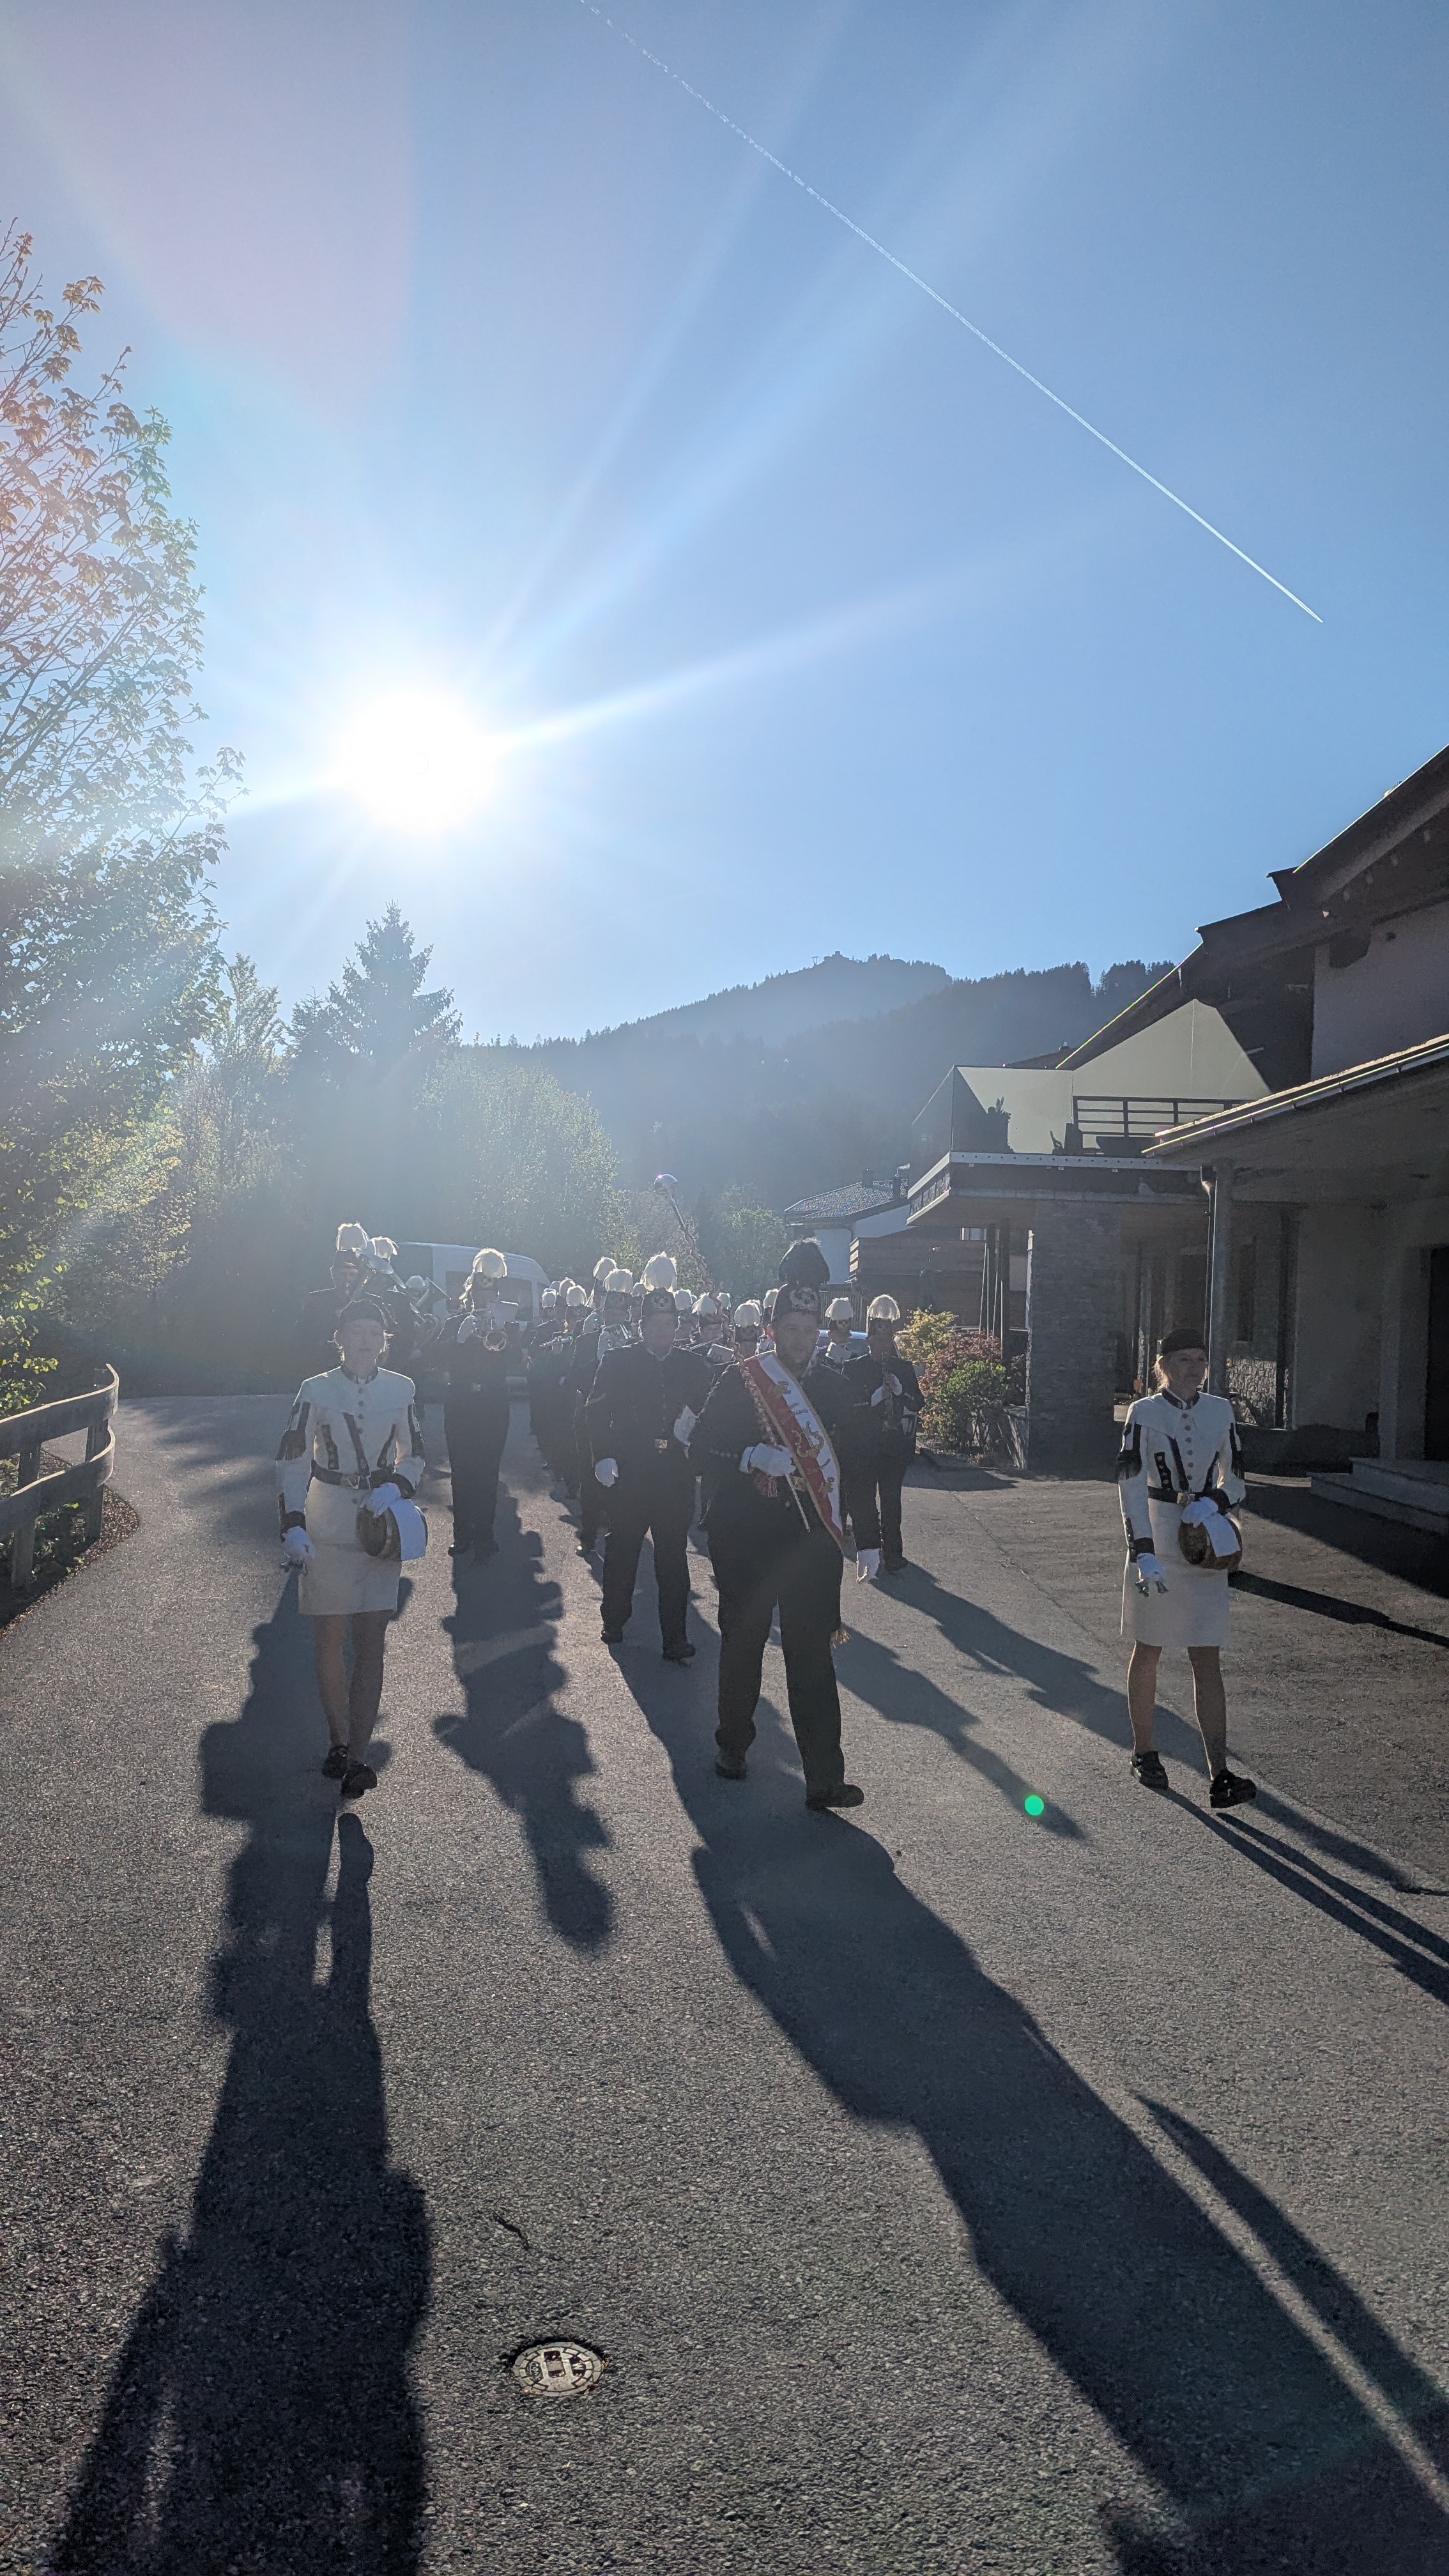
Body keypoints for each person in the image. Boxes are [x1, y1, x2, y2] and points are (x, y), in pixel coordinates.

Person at [690, 1239, 881, 1809]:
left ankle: (823, 1777)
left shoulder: (837, 1390)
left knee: (811, 1657)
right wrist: (749, 1456)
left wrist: (870, 1538)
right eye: (791, 1329)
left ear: (820, 1330)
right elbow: (701, 1447)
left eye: (809, 1329)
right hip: (745, 1537)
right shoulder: (743, 1379)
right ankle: (733, 1745)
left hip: (809, 1542)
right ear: (772, 1330)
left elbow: (859, 1467)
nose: (800, 1340)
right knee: (743, 1646)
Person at [276, 1298, 426, 1799]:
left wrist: (398, 1486)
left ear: (386, 1341)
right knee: (329, 1634)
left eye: (374, 1333)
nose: (366, 1340)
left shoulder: (402, 1388)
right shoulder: (315, 1389)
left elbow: (416, 1453)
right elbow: (293, 1460)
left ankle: (359, 1756)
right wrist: (293, 1524)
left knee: (372, 1638)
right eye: (357, 1331)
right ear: (339, 1338)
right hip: (326, 1520)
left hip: (378, 1527)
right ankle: (338, 1741)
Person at [1117, 1324, 1255, 1808]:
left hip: (1204, 1538)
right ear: (1163, 1366)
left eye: (1200, 1359)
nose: (1194, 1368)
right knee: (1149, 1646)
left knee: (1206, 1653)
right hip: (1158, 1534)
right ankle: (1144, 1752)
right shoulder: (1143, 1412)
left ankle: (1220, 1773)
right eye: (1183, 1360)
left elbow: (1237, 1476)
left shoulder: (1220, 1410)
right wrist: (1143, 1550)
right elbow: (1130, 1484)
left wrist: (1215, 1502)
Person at [586, 1255, 713, 1659]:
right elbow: (595, 1412)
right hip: (631, 1471)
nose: (662, 1331)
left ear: (677, 1326)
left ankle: (675, 1638)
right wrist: (602, 1456)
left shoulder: (694, 1366)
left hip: (674, 1474)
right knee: (623, 1551)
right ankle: (614, 1620)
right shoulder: (619, 1361)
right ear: (642, 1327)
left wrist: (696, 1443)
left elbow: (709, 1413)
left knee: (673, 1559)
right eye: (655, 1324)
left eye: (668, 1324)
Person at [845, 1295, 922, 1575]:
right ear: (868, 1341)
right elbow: (848, 1407)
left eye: (888, 1340)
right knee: (865, 1504)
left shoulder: (903, 1368)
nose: (884, 1345)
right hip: (864, 1447)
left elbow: (918, 1403)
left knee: (892, 1503)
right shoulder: (854, 1368)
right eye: (878, 1340)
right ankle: (870, 1552)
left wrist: (901, 1392)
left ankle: (894, 1554)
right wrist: (875, 1398)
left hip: (893, 1447)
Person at [445, 1250, 512, 1562]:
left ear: (495, 1295)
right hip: (460, 1404)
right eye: (479, 1292)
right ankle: (462, 1535)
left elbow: (517, 1361)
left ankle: (485, 1535)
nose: (483, 1298)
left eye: (489, 1293)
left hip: (493, 1406)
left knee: (488, 1472)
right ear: (470, 1292)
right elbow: (436, 1360)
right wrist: (459, 1340)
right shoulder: (454, 1323)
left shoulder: (505, 1325)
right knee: (461, 1471)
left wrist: (504, 1333)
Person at [572, 1268, 634, 1557]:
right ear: (603, 1312)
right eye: (611, 1312)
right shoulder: (586, 1341)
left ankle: (618, 1530)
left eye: (621, 1314)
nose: (616, 1318)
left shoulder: (634, 1343)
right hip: (591, 1418)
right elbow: (576, 1381)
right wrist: (598, 1359)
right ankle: (588, 1535)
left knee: (622, 1478)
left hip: (624, 1421)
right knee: (589, 1478)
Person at [293, 1223, 368, 1375]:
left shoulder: (367, 1302)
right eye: (343, 1274)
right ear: (333, 1273)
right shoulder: (316, 1300)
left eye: (352, 1275)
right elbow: (301, 1338)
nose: (347, 1279)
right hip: (323, 1367)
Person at [820, 1297, 855, 1367]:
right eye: (839, 1333)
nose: (844, 1336)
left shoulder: (854, 1359)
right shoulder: (820, 1357)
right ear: (830, 1334)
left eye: (845, 1334)